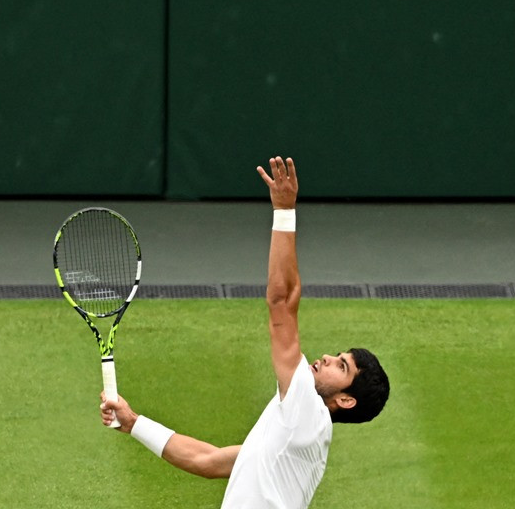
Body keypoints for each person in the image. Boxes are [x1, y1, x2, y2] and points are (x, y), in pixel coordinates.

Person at [101, 156, 389, 508]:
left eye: (341, 366)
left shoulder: (306, 410)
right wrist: (134, 423)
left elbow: (281, 303)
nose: (328, 358)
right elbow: (207, 461)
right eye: (338, 356)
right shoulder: (291, 430)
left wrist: (284, 212)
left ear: (345, 400)